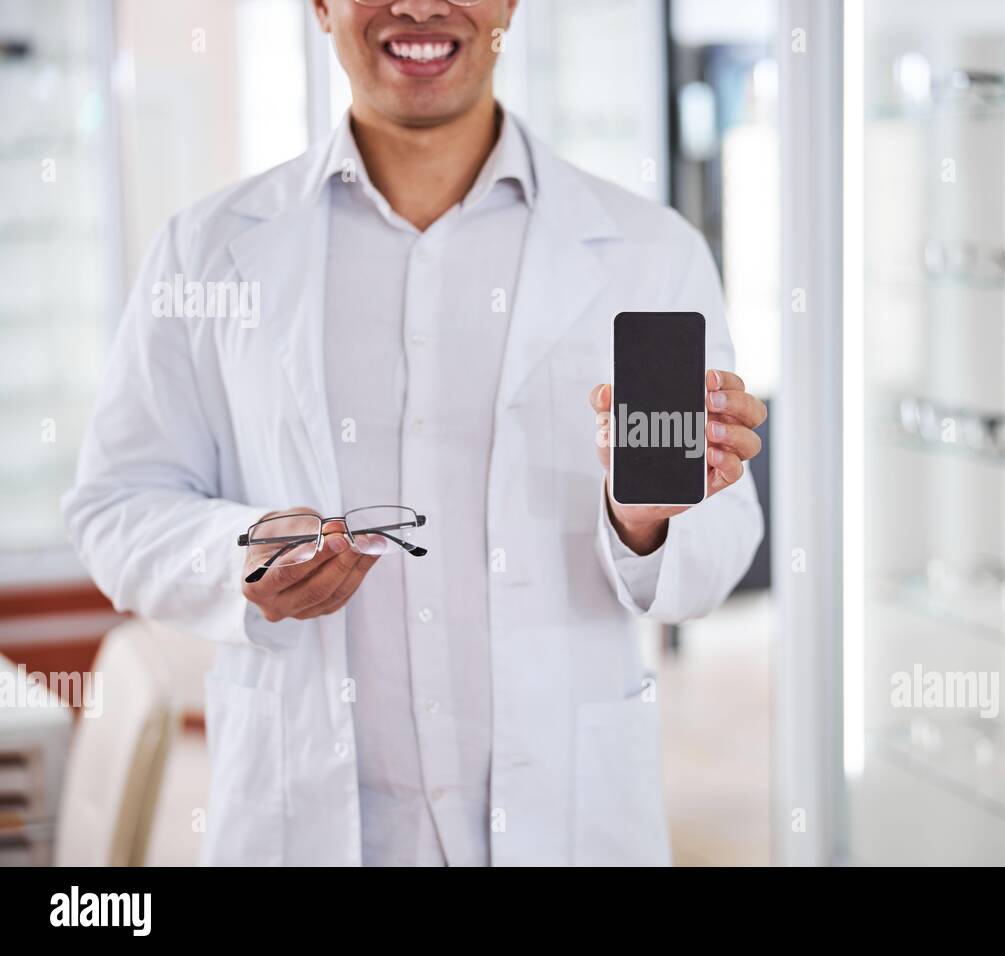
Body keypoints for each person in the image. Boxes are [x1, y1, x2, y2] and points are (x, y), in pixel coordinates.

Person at [63, 0, 764, 866]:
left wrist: (646, 521)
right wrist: (234, 554)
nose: (422, 7)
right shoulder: (206, 252)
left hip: (565, 820)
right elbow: (115, 505)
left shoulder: (650, 251)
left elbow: (728, 534)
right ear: (320, 6)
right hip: (310, 821)